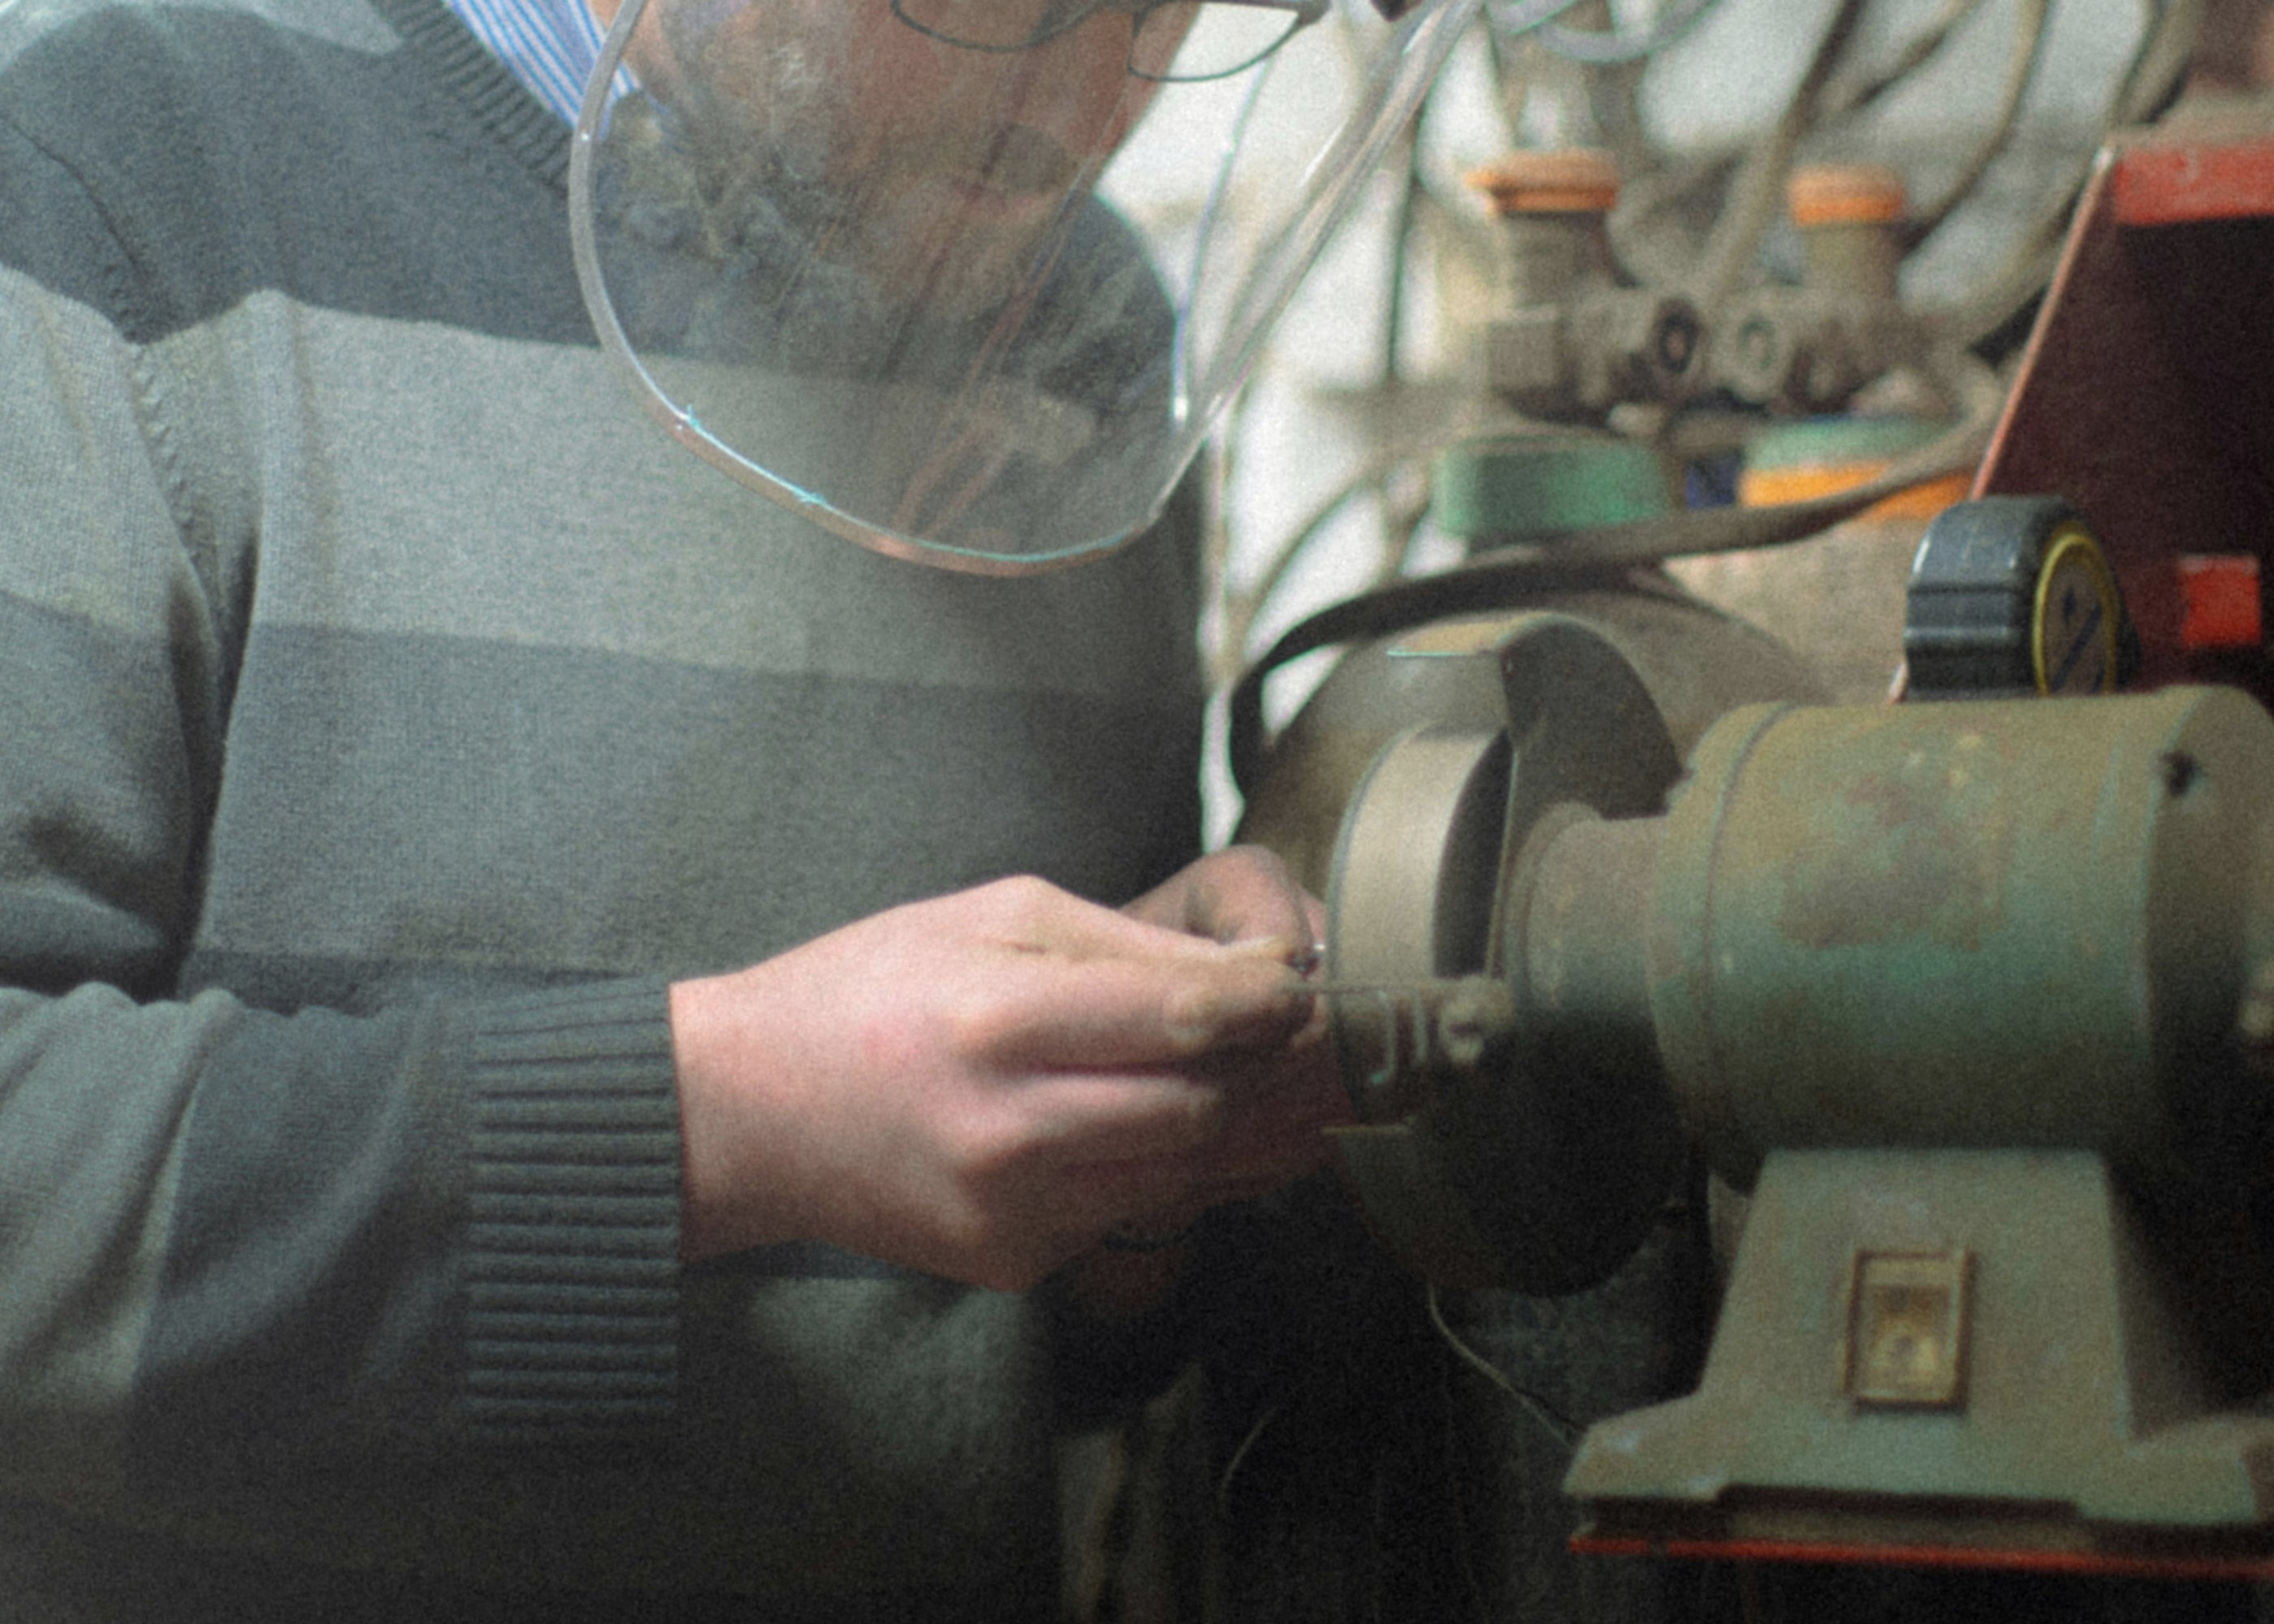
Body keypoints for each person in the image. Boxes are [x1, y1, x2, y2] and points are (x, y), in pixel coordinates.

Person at [0, 0, 1453, 1615]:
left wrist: (1155, 1158)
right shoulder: (109, 177)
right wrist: (716, 1127)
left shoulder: (1079, 324)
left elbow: (1016, 1377)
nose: (1088, 98)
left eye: (1158, 7)